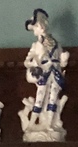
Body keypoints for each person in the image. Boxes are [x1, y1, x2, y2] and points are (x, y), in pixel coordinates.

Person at [22, 8, 69, 137]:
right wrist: (36, 63)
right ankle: (32, 124)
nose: (41, 27)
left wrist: (64, 59)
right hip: (44, 74)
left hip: (56, 74)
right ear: (35, 30)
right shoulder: (36, 45)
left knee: (53, 99)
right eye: (37, 26)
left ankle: (49, 124)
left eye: (41, 23)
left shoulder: (57, 44)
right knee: (40, 98)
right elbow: (27, 62)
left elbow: (62, 63)